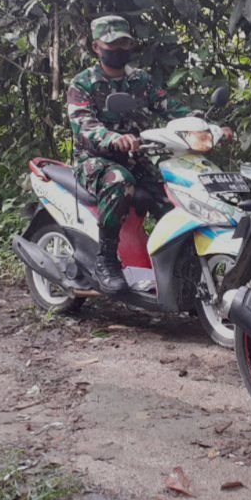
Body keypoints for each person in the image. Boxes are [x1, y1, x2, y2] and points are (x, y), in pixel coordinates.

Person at [66, 15, 227, 293]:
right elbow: (83, 125)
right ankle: (106, 261)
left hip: (137, 158)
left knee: (174, 194)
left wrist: (210, 128)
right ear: (96, 47)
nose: (119, 49)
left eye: (124, 43)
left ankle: (184, 267)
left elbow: (171, 108)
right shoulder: (83, 84)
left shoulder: (140, 80)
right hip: (95, 161)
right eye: (112, 44)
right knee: (119, 181)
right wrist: (113, 138)